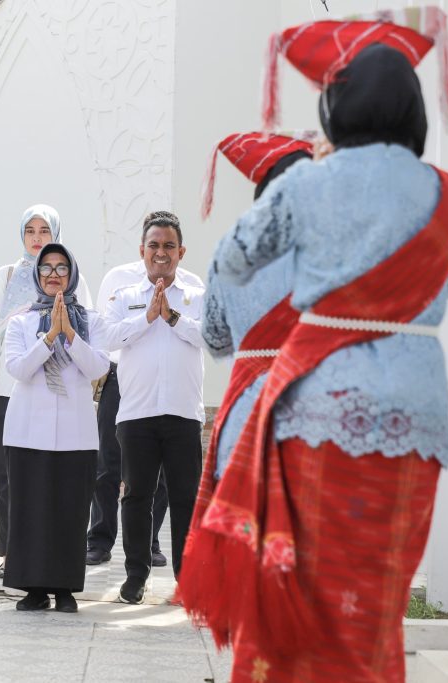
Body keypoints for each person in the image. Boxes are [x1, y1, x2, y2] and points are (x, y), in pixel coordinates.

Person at [209, 26, 448, 682]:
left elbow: (238, 257)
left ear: (337, 110)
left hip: (318, 404)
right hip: (417, 414)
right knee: (375, 602)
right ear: (415, 114)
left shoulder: (309, 186)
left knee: (304, 589)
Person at [177, 132, 312, 633]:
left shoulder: (229, 249)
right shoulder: (321, 251)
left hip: (244, 405)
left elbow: (214, 338)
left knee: (249, 546)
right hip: (305, 401)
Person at [0, 204, 92, 579]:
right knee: (8, 474)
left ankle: (52, 556)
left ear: (56, 235)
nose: (37, 238)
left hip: (55, 391)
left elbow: (86, 330)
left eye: (44, 230)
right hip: (11, 385)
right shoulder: (6, 275)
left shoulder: (73, 278)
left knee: (53, 477)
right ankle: (12, 552)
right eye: (30, 231)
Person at [97, 211, 205, 605]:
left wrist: (172, 317)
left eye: (169, 246)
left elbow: (209, 337)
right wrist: (147, 317)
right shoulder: (125, 297)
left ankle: (188, 581)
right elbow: (108, 339)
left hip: (182, 413)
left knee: (184, 499)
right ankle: (135, 576)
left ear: (181, 251)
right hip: (137, 414)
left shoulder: (196, 294)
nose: (161, 253)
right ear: (142, 251)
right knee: (137, 497)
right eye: (154, 245)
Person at [2, 243, 110, 613]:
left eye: (61, 268)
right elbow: (16, 369)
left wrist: (70, 335)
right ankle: (33, 588)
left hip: (75, 433)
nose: (53, 274)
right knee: (31, 509)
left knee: (69, 510)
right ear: (37, 275)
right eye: (46, 268)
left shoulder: (91, 321)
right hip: (28, 430)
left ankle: (64, 589)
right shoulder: (21, 321)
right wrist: (49, 338)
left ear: (72, 274)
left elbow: (98, 368)